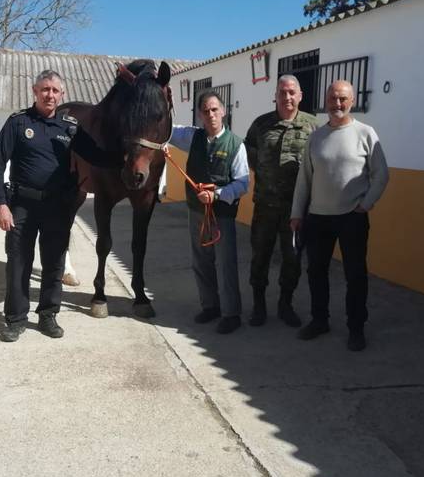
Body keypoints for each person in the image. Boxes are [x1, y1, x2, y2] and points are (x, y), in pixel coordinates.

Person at [0, 70, 118, 343]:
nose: (50, 95)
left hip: (58, 206)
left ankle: (48, 316)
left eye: (55, 90)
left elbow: (98, 155)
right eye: (45, 89)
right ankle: (16, 320)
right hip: (21, 204)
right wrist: (1, 204)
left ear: (62, 95)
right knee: (18, 263)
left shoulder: (70, 127)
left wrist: (133, 151)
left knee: (54, 264)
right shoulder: (18, 123)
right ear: (35, 91)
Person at [290, 80, 389, 351]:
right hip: (318, 217)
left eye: (343, 99)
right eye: (333, 98)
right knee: (316, 272)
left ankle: (356, 328)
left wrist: (365, 205)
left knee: (355, 275)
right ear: (326, 100)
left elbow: (381, 174)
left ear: (352, 101)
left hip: (352, 217)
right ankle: (319, 320)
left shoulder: (366, 133)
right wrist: (297, 213)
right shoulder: (316, 137)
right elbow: (304, 180)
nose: (337, 104)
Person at [167, 90, 250, 334]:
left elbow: (242, 184)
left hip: (222, 214)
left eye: (215, 109)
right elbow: (167, 129)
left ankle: (231, 313)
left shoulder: (236, 144)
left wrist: (217, 195)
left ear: (223, 112)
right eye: (205, 110)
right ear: (200, 115)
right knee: (201, 262)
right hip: (197, 212)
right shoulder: (192, 137)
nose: (210, 114)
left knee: (226, 264)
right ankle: (210, 306)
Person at [244, 75, 316, 328]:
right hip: (264, 207)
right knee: (260, 257)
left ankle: (286, 305)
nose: (287, 97)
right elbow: (249, 154)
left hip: (296, 211)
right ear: (275, 95)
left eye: (291, 92)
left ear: (300, 96)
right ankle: (259, 306)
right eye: (282, 92)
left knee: (292, 260)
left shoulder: (313, 126)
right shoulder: (261, 125)